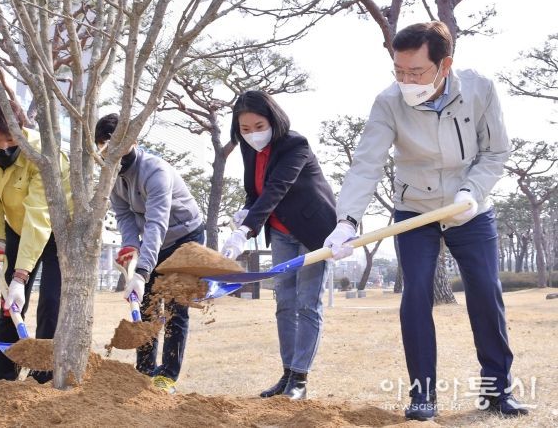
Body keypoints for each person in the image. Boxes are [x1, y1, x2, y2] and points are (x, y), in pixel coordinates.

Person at [324, 22, 529, 420]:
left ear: (445, 64)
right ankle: (423, 396)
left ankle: (497, 390)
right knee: (416, 294)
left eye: (415, 72)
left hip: (469, 207)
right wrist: (347, 220)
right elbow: (366, 163)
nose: (406, 80)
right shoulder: (388, 102)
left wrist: (472, 191)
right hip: (414, 209)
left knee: (486, 292)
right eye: (398, 71)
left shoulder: (480, 90)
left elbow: (496, 151)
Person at [222, 90, 336, 400]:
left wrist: (244, 231)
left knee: (307, 303)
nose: (253, 135)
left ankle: (300, 377)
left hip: (315, 232)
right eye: (245, 130)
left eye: (259, 126)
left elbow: (275, 190)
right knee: (284, 301)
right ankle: (286, 374)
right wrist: (246, 209)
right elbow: (255, 190)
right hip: (281, 232)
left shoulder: (295, 145)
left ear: (273, 120)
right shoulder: (248, 149)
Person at [95, 113, 204, 394]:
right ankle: (144, 371)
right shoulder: (114, 176)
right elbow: (125, 217)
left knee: (175, 308)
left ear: (132, 140)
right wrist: (131, 248)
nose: (108, 153)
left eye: (114, 145)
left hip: (184, 237)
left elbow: (156, 223)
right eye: (102, 147)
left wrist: (142, 272)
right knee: (147, 308)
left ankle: (167, 375)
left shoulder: (156, 171)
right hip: (153, 242)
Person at [0, 97, 70, 384]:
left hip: (57, 229)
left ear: (22, 129)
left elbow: (40, 214)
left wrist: (21, 276)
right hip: (15, 227)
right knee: (9, 305)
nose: (4, 147)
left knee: (51, 301)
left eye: (11, 138)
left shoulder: (42, 152)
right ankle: (4, 380)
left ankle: (42, 378)